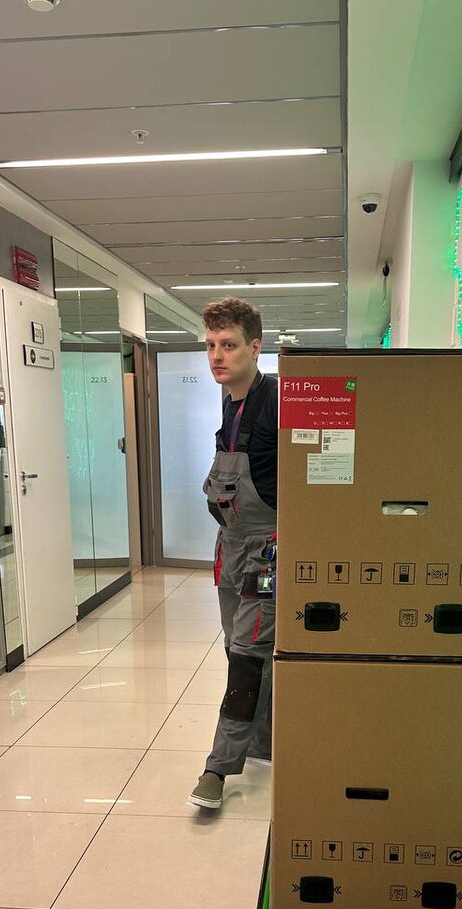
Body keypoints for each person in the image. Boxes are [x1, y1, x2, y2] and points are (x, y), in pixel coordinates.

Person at [190, 298, 278, 809]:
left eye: (228, 345)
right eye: (210, 346)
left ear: (255, 348)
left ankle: (217, 770)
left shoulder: (277, 402)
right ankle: (264, 743)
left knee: (246, 657)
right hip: (230, 549)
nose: (217, 357)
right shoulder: (230, 402)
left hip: (267, 555)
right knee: (238, 649)